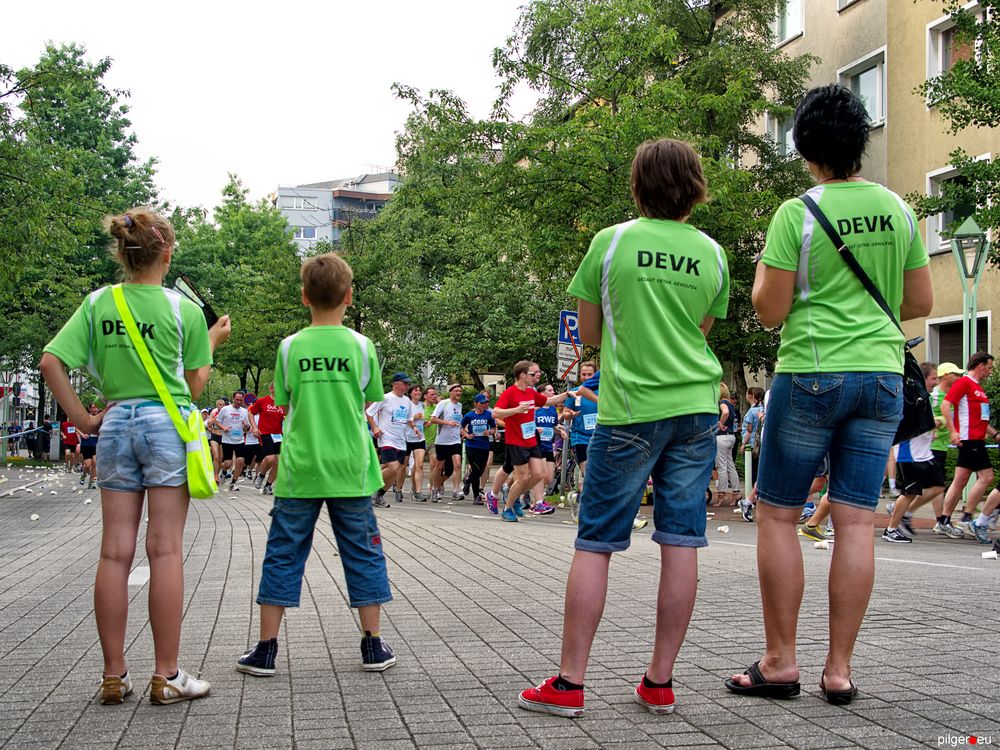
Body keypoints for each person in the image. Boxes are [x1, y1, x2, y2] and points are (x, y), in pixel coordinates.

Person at [726, 85, 932, 705]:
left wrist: (767, 273)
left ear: (804, 147)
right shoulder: (898, 209)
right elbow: (919, 303)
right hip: (880, 378)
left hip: (812, 371)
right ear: (860, 140)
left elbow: (770, 312)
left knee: (780, 513)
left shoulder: (797, 213)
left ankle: (780, 661)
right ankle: (838, 671)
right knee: (855, 523)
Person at [518, 138, 729, 717]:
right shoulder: (712, 252)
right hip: (696, 407)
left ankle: (570, 684)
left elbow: (588, 333)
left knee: (596, 542)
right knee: (682, 539)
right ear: (695, 185)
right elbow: (701, 329)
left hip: (631, 407)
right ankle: (660, 682)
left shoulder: (610, 244)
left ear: (638, 185)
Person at [40, 208, 231, 705]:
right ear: (166, 254)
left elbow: (50, 361)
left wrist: (83, 420)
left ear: (121, 252)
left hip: (117, 423)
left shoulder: (98, 303)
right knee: (164, 549)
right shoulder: (180, 310)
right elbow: (191, 386)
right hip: (165, 426)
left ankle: (113, 674)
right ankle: (167, 675)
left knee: (113, 552)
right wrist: (210, 341)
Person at [236, 252, 395, 678]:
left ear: (304, 296)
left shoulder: (289, 348)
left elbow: (283, 403)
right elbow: (367, 399)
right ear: (348, 296)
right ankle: (373, 646)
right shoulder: (363, 347)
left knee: (283, 555)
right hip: (351, 467)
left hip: (300, 469)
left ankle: (266, 650)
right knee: (363, 554)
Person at [492, 362, 571, 523]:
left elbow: (548, 401)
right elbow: (496, 413)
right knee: (522, 477)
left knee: (539, 474)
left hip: (531, 440)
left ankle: (512, 495)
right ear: (522, 374)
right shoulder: (510, 393)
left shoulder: (530, 392)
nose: (536, 376)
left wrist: (570, 393)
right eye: (533, 373)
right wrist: (517, 410)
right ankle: (508, 508)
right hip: (516, 441)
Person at [882, 363, 947, 543]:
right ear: (924, 378)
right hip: (909, 453)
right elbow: (911, 422)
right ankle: (890, 530)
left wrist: (930, 431)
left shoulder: (925, 397)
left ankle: (905, 512)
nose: (936, 381)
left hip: (924, 453)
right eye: (933, 378)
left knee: (938, 486)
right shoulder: (913, 396)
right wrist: (935, 423)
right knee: (910, 491)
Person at [940, 352, 997, 537]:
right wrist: (952, 431)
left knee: (960, 480)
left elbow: (980, 417)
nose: (990, 372)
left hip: (976, 437)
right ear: (980, 365)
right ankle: (966, 518)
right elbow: (945, 405)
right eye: (989, 368)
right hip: (969, 438)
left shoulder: (977, 388)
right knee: (987, 477)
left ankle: (944, 520)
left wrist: (994, 434)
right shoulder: (964, 383)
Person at [367, 373, 416, 506]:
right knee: (393, 467)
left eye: (408, 383)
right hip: (386, 439)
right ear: (395, 384)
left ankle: (378, 496)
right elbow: (369, 413)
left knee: (396, 470)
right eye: (404, 383)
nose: (407, 386)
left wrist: (414, 427)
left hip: (401, 440)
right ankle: (369, 489)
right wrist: (375, 427)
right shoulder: (385, 398)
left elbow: (409, 419)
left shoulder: (407, 401)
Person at [560, 362, 598, 494]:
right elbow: (565, 414)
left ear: (595, 375)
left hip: (600, 436)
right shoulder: (575, 392)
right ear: (579, 375)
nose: (587, 377)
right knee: (586, 469)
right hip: (580, 437)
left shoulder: (603, 390)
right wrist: (569, 415)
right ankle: (589, 501)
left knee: (599, 470)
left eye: (590, 374)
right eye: (583, 374)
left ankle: (583, 497)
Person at [248, 383, 286, 496]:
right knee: (270, 459)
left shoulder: (283, 403)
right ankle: (261, 475)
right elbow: (251, 413)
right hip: (265, 433)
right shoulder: (262, 401)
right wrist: (254, 428)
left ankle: (268, 485)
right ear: (271, 389)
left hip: (279, 435)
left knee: (279, 461)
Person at [429, 384, 465, 502]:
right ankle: (435, 489)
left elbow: (458, 421)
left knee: (458, 464)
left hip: (455, 440)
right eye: (456, 391)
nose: (459, 393)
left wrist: (461, 430)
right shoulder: (443, 403)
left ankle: (456, 491)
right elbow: (433, 419)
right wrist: (447, 422)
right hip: (442, 441)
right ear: (450, 392)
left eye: (460, 391)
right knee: (439, 466)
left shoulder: (459, 405)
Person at [461, 394, 496, 504]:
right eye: (481, 403)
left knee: (481, 469)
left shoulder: (489, 415)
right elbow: (461, 427)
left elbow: (494, 428)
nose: (484, 405)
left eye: (485, 402)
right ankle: (476, 497)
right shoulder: (469, 415)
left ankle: (468, 480)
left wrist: (489, 432)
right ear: (476, 404)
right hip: (472, 445)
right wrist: (466, 435)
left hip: (484, 445)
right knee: (476, 469)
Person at [216, 391, 251, 492]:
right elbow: (217, 421)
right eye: (237, 400)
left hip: (239, 440)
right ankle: (223, 472)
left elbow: (247, 428)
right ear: (233, 398)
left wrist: (246, 426)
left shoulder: (244, 411)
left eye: (241, 400)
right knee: (228, 463)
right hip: (227, 439)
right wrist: (224, 428)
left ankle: (233, 483)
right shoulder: (225, 409)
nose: (239, 402)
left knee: (240, 461)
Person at [399, 383, 427, 502]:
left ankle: (418, 491)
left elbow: (423, 419)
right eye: (416, 391)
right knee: (403, 466)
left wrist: (425, 422)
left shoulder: (422, 405)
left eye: (420, 391)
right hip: (406, 438)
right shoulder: (406, 404)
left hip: (419, 437)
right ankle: (398, 489)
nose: (418, 393)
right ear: (410, 393)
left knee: (419, 465)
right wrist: (414, 417)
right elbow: (402, 419)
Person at [714, 383, 740, 506]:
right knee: (730, 465)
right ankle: (736, 492)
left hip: (721, 436)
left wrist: (720, 423)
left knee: (721, 466)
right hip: (730, 436)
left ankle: (721, 494)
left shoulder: (722, 403)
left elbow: (725, 413)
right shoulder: (731, 404)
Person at [79, 404, 100, 489]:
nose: (96, 409)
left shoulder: (100, 418)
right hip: (86, 444)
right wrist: (82, 434)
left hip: (96, 444)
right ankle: (84, 475)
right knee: (87, 465)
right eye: (94, 407)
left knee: (94, 462)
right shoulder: (86, 418)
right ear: (90, 409)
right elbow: (76, 426)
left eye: (97, 407)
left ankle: (92, 481)